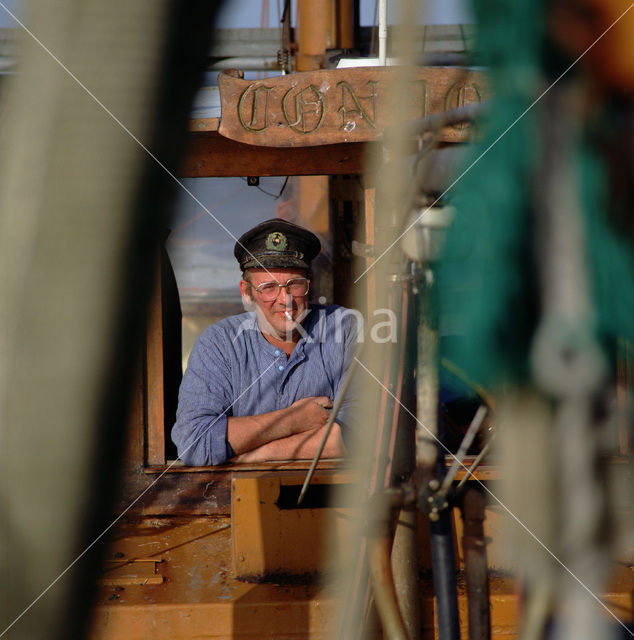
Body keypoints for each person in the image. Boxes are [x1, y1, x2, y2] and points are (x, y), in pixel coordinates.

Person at [171, 218, 360, 465]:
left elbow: (363, 434)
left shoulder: (345, 329)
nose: (285, 299)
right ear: (246, 291)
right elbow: (195, 443)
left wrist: (256, 454)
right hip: (237, 501)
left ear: (311, 282)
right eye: (269, 287)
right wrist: (294, 420)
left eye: (295, 284)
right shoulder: (219, 343)